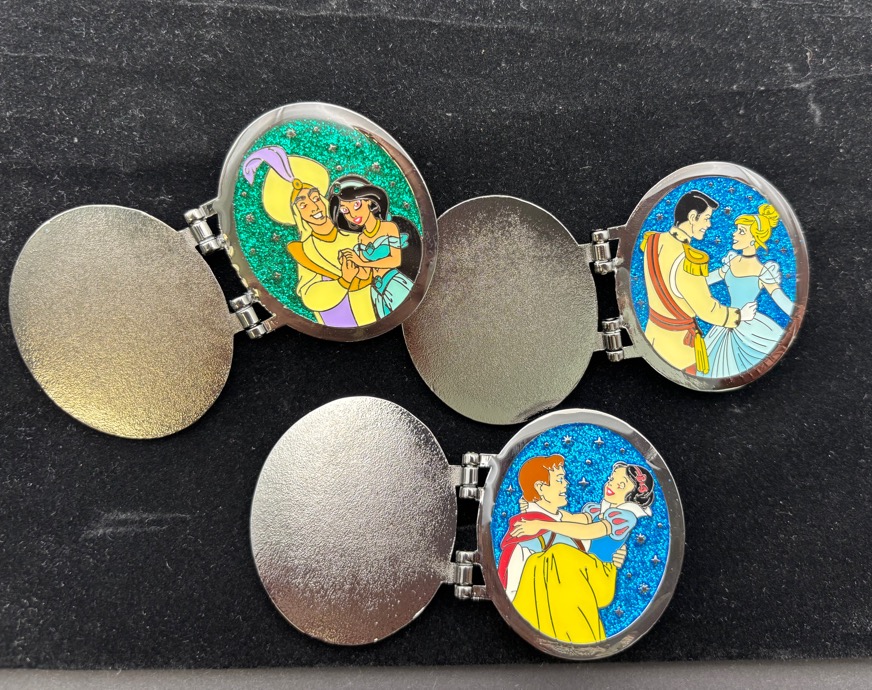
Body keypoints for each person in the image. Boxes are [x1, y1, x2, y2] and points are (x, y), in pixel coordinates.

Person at [497, 455, 634, 644]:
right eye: (560, 479)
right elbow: (513, 591)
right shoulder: (526, 536)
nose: (566, 484)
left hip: (581, 622)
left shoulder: (564, 527)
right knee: (559, 554)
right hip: (552, 624)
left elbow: (585, 530)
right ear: (540, 488)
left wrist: (611, 563)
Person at [241, 148, 376, 328]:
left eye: (315, 198)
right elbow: (310, 295)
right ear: (298, 215)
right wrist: (343, 281)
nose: (314, 207)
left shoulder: (356, 234)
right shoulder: (305, 251)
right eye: (303, 205)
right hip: (345, 321)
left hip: (378, 309)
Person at [641, 190, 757, 375]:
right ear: (692, 217)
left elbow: (671, 284)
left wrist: (720, 273)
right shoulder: (689, 261)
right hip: (678, 353)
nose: (709, 225)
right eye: (706, 218)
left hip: (652, 337)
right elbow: (707, 310)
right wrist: (739, 315)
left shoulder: (653, 241)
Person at [703, 204, 794, 377]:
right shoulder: (731, 263)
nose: (734, 234)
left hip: (751, 329)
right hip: (727, 321)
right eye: (737, 230)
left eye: (741, 231)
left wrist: (797, 313)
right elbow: (705, 281)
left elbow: (780, 298)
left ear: (754, 238)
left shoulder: (763, 271)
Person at [329, 175, 415, 319]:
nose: (352, 214)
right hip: (376, 291)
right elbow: (365, 274)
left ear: (369, 200)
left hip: (394, 284)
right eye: (345, 210)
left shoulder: (389, 228)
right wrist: (348, 264)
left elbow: (395, 261)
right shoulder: (360, 239)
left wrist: (361, 261)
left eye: (356, 205)